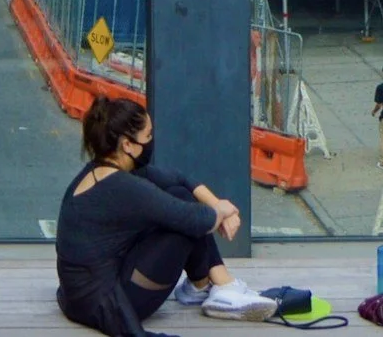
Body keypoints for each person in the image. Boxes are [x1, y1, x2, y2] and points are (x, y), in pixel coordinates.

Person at [53, 96, 275, 330]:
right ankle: (223, 288)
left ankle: (204, 286)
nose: (152, 141)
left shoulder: (101, 171)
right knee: (186, 219)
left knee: (180, 193)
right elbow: (195, 220)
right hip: (115, 302)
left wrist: (217, 202)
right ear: (128, 145)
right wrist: (223, 211)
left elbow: (178, 179)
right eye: (148, 136)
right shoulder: (123, 187)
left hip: (82, 296)